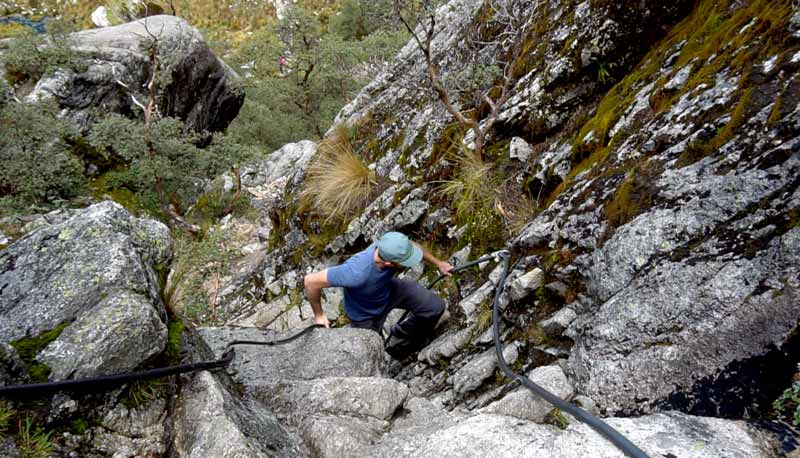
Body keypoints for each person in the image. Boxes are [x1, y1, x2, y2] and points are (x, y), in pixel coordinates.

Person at [304, 231, 453, 358]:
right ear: (389, 263)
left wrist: (439, 263)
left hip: (389, 290)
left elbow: (412, 247)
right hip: (364, 315)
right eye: (405, 261)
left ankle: (400, 336)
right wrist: (319, 315)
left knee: (434, 307)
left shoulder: (391, 245)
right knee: (373, 352)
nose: (411, 262)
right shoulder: (355, 272)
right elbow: (310, 281)